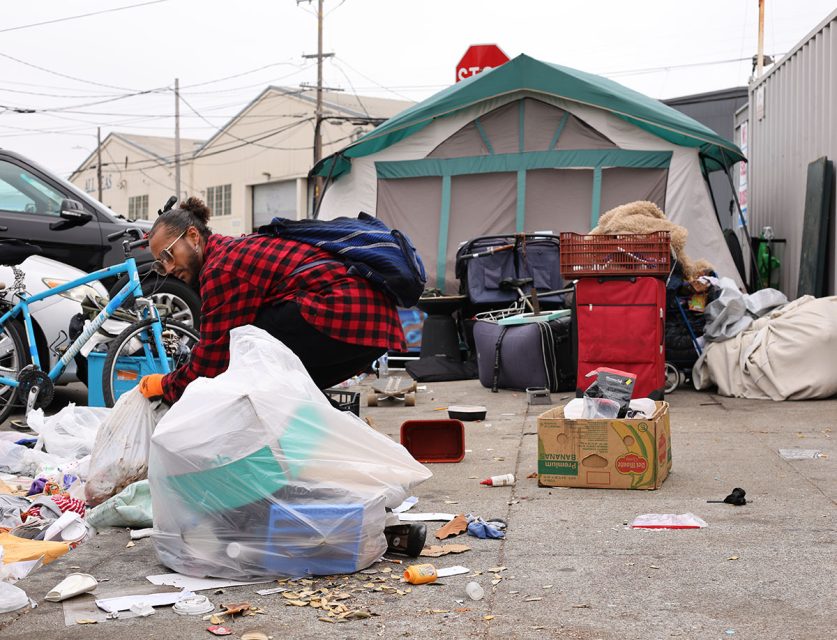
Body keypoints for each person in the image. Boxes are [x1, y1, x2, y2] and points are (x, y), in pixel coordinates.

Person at [138, 197, 405, 404]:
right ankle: (335, 449)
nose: (169, 268)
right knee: (287, 391)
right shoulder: (230, 252)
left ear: (193, 237)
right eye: (161, 263)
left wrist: (166, 385)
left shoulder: (221, 268)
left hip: (347, 314)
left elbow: (211, 360)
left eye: (168, 255)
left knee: (247, 347)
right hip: (375, 326)